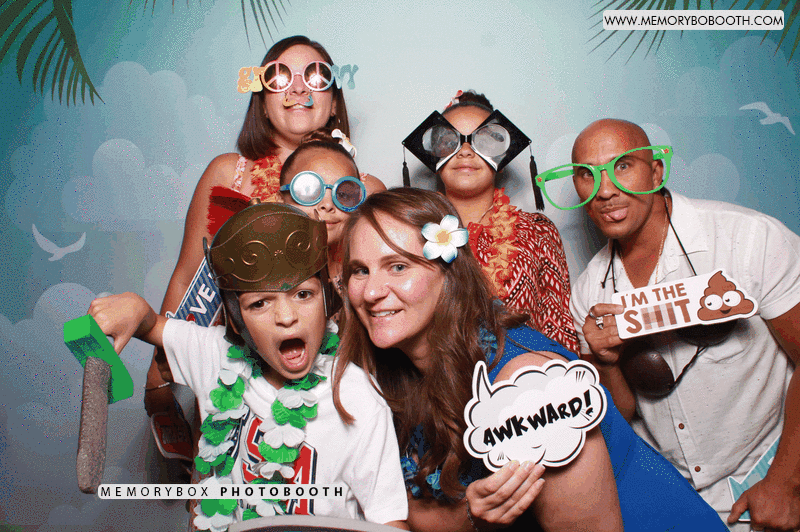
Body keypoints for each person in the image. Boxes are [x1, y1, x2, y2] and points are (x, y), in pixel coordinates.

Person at [334, 188, 726, 531]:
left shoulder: (530, 388)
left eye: (398, 267)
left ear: (449, 273)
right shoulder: (395, 371)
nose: (371, 292)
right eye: (359, 271)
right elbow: (407, 509)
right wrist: (471, 514)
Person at [88, 201, 408, 531]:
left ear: (327, 300)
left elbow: (389, 521)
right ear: (236, 321)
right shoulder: (217, 356)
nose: (286, 317)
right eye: (259, 303)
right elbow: (151, 325)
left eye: (303, 295)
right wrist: (134, 307)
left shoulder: (359, 399)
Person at [558, 118, 800, 531]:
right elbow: (623, 413)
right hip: (677, 498)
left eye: (622, 166)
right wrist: (606, 361)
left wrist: (785, 481)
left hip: (769, 470)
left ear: (656, 172)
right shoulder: (588, 293)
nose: (605, 189)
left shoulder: (749, 238)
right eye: (586, 174)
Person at [144, 35, 384, 441]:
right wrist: (158, 381)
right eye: (280, 77)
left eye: (316, 77)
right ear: (262, 99)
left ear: (333, 101)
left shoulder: (362, 190)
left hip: (333, 379)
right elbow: (188, 279)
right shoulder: (229, 175)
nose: (298, 89)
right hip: (235, 374)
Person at [402, 91, 577, 353]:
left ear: (502, 159)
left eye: (482, 142)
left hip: (527, 373)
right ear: (435, 158)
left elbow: (559, 328)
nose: (465, 152)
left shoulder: (538, 231)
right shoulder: (410, 232)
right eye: (450, 142)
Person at [279, 131, 367, 301]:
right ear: (280, 200)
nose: (327, 205)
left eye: (343, 194)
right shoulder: (261, 271)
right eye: (308, 191)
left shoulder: (365, 272)